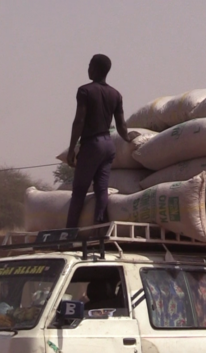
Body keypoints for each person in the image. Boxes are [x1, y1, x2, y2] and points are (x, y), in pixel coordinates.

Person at [65, 54, 138, 228]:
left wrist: (71, 149)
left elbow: (79, 121)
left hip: (92, 144)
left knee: (79, 190)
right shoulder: (116, 94)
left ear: (96, 68)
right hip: (108, 145)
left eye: (90, 65)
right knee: (101, 189)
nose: (88, 68)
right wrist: (128, 138)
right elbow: (121, 125)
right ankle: (100, 228)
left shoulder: (85, 91)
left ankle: (69, 232)